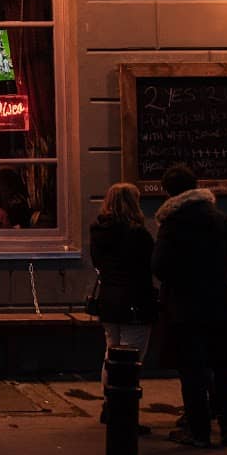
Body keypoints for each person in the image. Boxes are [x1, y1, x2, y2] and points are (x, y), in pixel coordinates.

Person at [153, 162, 227, 448]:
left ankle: (199, 431)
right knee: (223, 369)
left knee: (192, 371)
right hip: (218, 303)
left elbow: (160, 266)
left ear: (169, 191)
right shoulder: (218, 218)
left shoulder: (172, 224)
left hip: (185, 306)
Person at [90, 181, 157, 434]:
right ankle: (124, 414)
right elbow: (151, 264)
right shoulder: (137, 234)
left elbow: (98, 263)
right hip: (135, 301)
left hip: (109, 300)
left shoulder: (98, 231)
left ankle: (110, 405)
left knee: (112, 355)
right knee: (131, 360)